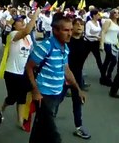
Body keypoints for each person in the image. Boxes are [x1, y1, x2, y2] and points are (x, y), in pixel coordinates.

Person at [25, 14, 86, 143]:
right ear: (55, 30)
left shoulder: (65, 47)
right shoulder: (45, 46)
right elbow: (29, 67)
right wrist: (35, 91)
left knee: (41, 128)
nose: (70, 33)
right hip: (43, 96)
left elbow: (66, 70)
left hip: (56, 94)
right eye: (66, 30)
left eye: (71, 30)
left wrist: (77, 89)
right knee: (53, 135)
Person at [1, 9, 40, 128]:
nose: (22, 22)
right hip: (12, 72)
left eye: (23, 19)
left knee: (22, 98)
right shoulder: (13, 35)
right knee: (12, 98)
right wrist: (35, 15)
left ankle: (20, 121)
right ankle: (3, 107)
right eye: (19, 21)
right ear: (13, 25)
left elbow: (31, 52)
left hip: (24, 72)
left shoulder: (28, 38)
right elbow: (27, 29)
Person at [61, 18, 91, 139]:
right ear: (72, 27)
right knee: (57, 99)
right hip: (63, 75)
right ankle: (47, 121)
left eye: (81, 24)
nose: (79, 26)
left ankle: (79, 127)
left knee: (77, 102)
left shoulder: (86, 43)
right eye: (76, 24)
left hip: (77, 76)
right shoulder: (66, 42)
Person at [100, 8, 119, 86]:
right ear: (111, 13)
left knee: (107, 60)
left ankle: (104, 77)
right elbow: (103, 32)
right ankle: (107, 77)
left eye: (118, 13)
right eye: (114, 12)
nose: (116, 14)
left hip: (114, 44)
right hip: (107, 43)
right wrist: (102, 44)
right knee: (113, 60)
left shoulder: (118, 24)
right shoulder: (108, 21)